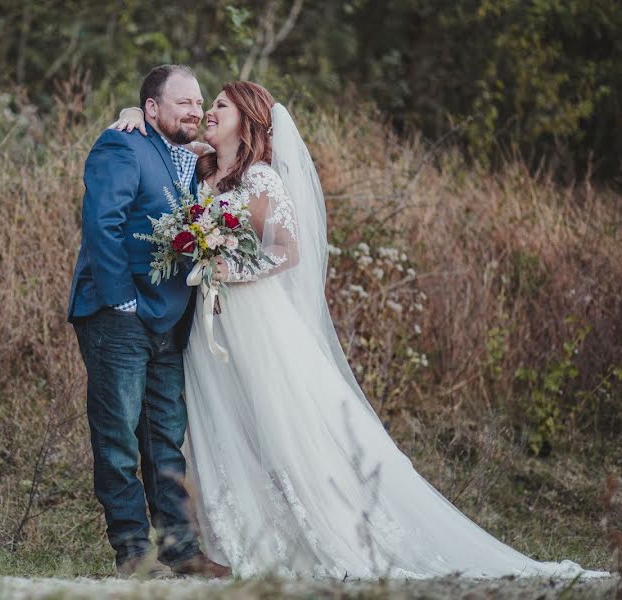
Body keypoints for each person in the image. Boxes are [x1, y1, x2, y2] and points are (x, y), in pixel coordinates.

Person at [107, 82, 610, 579]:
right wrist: (134, 108)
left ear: (248, 118)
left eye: (219, 105)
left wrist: (227, 270)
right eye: (207, 104)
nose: (208, 112)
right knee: (220, 424)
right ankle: (231, 535)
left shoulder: (259, 179)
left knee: (284, 426)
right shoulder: (203, 166)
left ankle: (318, 528)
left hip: (252, 319)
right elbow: (162, 133)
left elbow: (288, 250)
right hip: (209, 328)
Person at [67, 64, 230, 579]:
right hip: (119, 316)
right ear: (152, 109)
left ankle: (182, 551)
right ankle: (133, 554)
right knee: (117, 438)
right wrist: (122, 302)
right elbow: (102, 223)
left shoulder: (191, 159)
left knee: (165, 438)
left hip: (170, 321)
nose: (196, 110)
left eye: (200, 102)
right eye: (183, 102)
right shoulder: (123, 145)